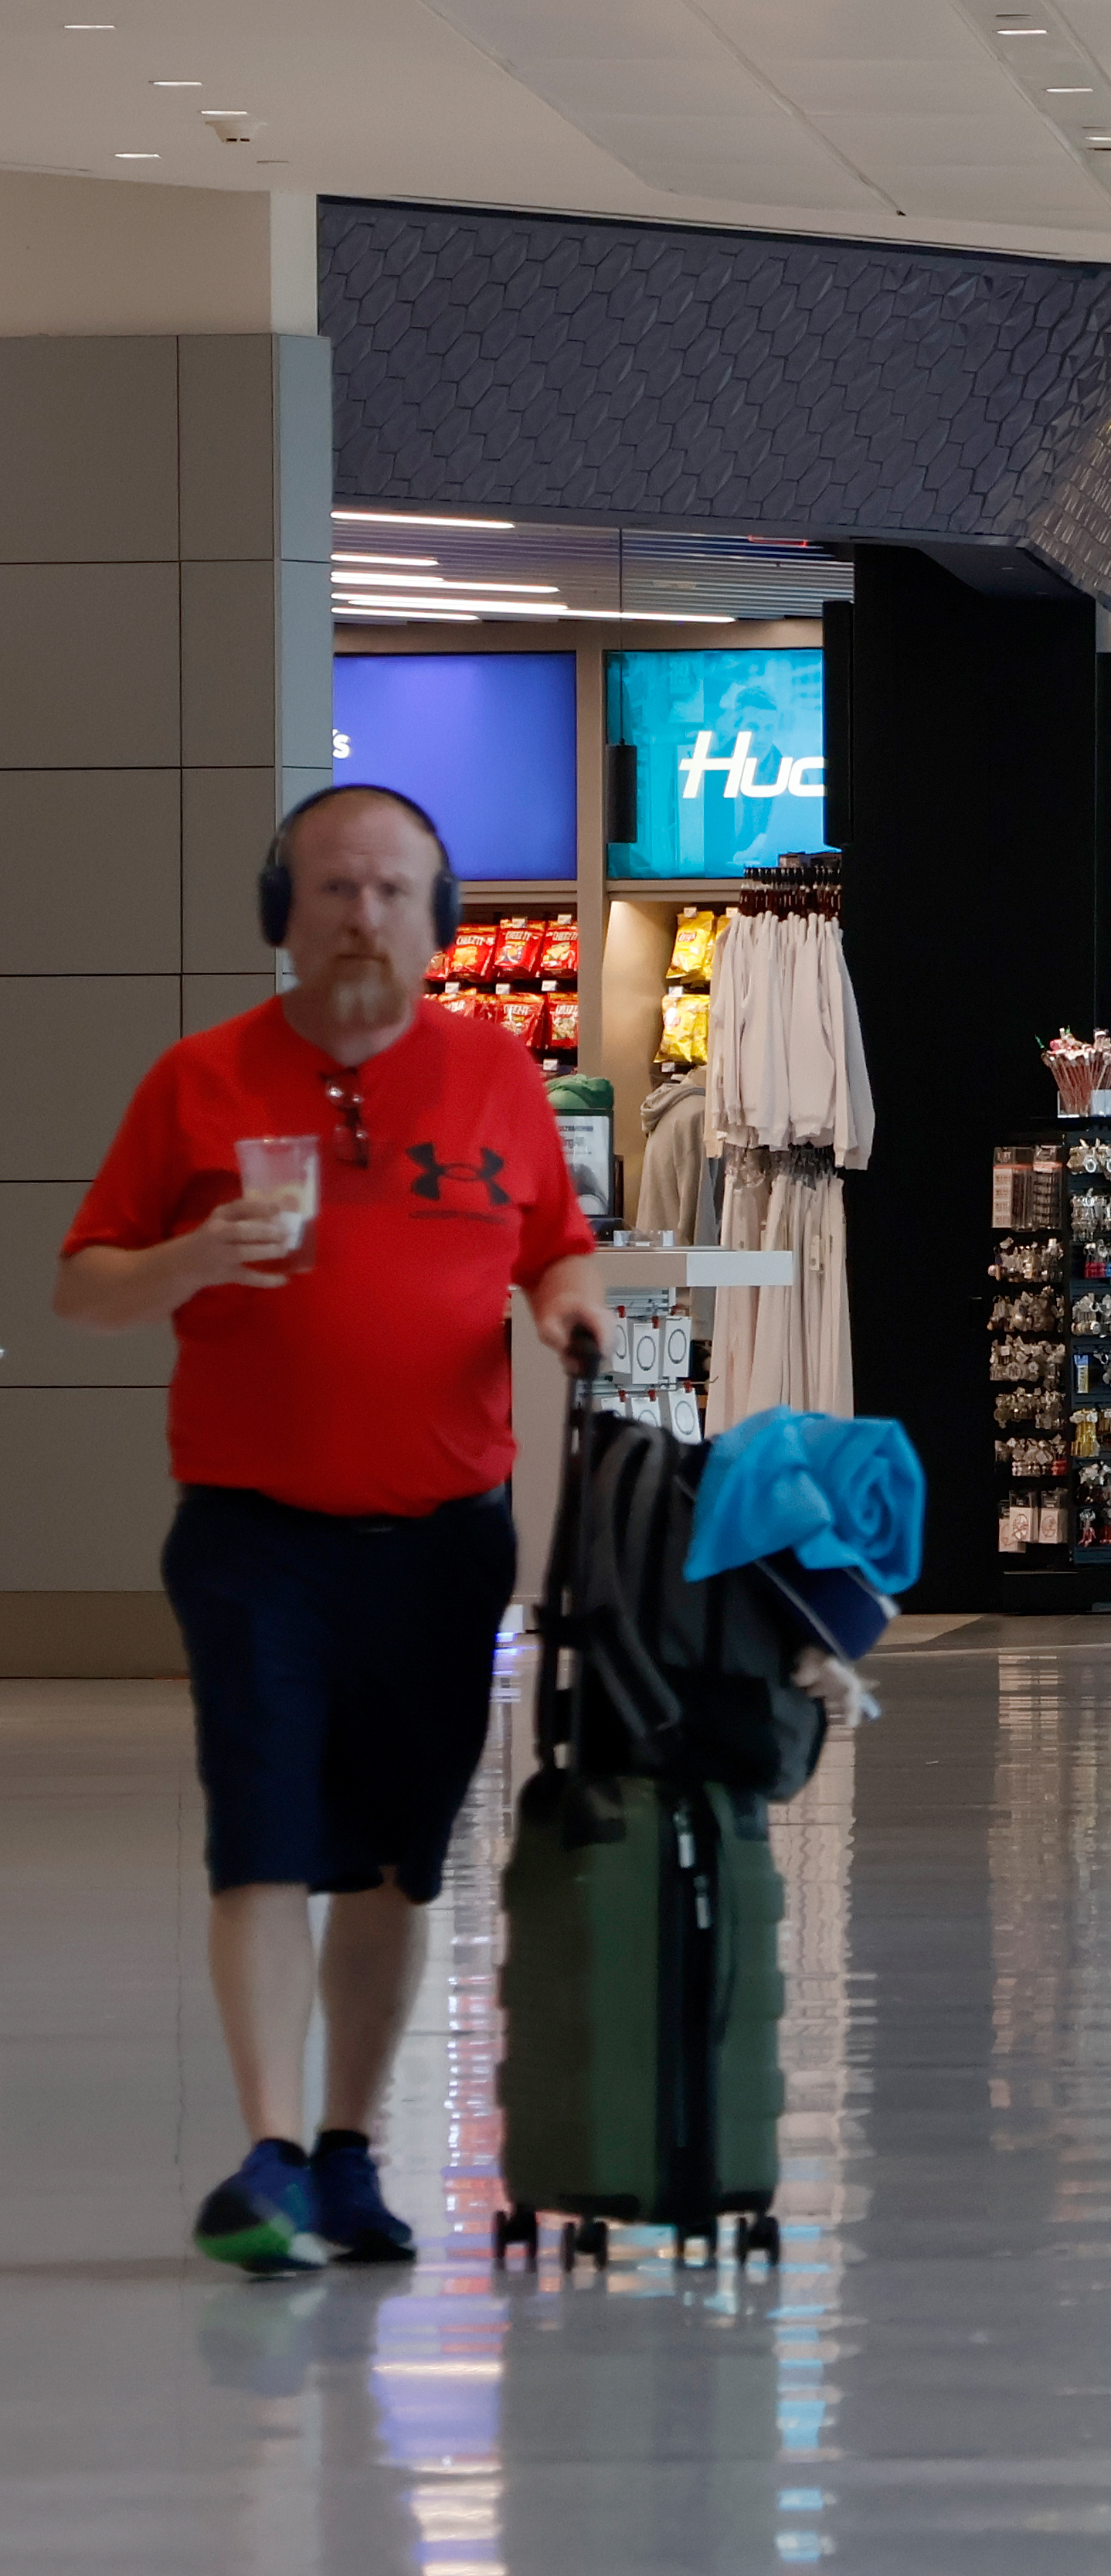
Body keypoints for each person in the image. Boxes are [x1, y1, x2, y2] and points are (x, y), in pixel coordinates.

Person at [54, 784, 610, 2270]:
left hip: (443, 1540)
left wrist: (568, 1310)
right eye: (331, 889)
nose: (360, 913)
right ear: (279, 914)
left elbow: (558, 1247)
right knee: (258, 1838)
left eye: (390, 889)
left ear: (437, 918)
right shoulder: (199, 1082)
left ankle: (355, 2151)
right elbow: (82, 1286)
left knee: (392, 1862)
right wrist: (187, 1253)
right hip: (253, 1536)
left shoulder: (497, 1078)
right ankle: (269, 2154)